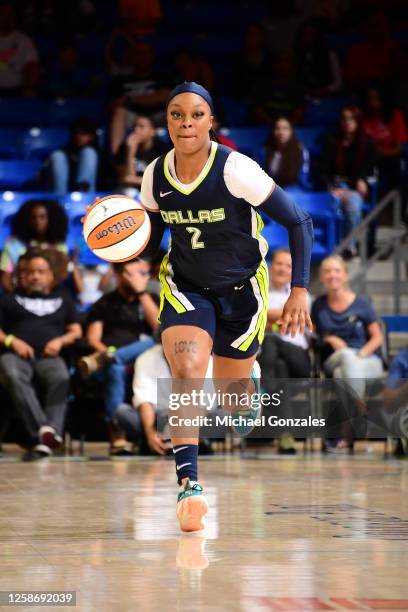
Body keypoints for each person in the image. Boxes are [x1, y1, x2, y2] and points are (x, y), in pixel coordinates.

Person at [138, 81, 313, 532]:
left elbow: (299, 220)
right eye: (176, 115)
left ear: (210, 121)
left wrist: (299, 288)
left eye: (196, 114)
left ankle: (245, 377)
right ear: (168, 122)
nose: (186, 123)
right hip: (186, 284)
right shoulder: (154, 174)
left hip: (242, 288)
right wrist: (119, 238)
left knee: (235, 404)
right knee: (187, 370)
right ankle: (188, 486)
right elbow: (152, 240)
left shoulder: (235, 169)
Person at [0, 250, 81, 460]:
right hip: (16, 355)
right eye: (30, 272)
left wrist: (60, 341)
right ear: (22, 276)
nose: (35, 276)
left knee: (61, 378)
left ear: (50, 275)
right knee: (11, 373)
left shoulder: (64, 298)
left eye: (40, 271)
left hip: (49, 356)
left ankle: (47, 431)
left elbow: (76, 331)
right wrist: (12, 341)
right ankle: (44, 434)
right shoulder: (9, 299)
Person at [79, 259, 159, 455]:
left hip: (146, 360)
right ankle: (118, 435)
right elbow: (93, 339)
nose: (135, 279)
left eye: (140, 274)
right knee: (115, 368)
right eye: (129, 274)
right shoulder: (104, 303)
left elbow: (159, 328)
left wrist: (141, 292)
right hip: (107, 360)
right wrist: (107, 352)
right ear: (117, 274)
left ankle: (116, 357)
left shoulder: (151, 299)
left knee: (156, 339)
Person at [311, 255, 384, 452]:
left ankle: (348, 431)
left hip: (366, 360)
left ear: (345, 275)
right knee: (344, 356)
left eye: (337, 271)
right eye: (327, 271)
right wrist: (331, 340)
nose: (332, 275)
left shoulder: (361, 303)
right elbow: (313, 336)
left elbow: (377, 337)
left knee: (341, 374)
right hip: (333, 359)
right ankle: (362, 410)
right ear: (322, 277)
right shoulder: (318, 305)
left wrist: (359, 356)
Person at [115, 342, 213, 455]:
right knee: (122, 412)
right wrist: (150, 433)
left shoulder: (205, 359)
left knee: (222, 416)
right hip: (157, 419)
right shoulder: (146, 358)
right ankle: (155, 442)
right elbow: (144, 400)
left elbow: (204, 403)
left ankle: (191, 442)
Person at [258, 248, 312, 454]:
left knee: (271, 339)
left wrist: (265, 316)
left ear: (293, 271)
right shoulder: (260, 292)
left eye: (288, 265)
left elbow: (286, 318)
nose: (282, 269)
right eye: (279, 264)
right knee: (278, 369)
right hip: (272, 363)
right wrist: (280, 318)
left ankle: (262, 392)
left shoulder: (301, 295)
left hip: (300, 358)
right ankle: (286, 436)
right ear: (271, 267)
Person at [320, 105, 377, 257]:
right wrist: (331, 188)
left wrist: (362, 179)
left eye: (351, 119)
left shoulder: (367, 143)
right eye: (344, 119)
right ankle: (331, 247)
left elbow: (368, 169)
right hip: (334, 187)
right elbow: (323, 170)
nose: (348, 122)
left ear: (358, 121)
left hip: (353, 188)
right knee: (331, 204)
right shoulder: (332, 141)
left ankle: (349, 247)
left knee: (353, 205)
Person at [0, 198, 68, 292]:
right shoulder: (13, 245)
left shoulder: (60, 247)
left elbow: (61, 277)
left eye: (42, 217)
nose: (37, 221)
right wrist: (18, 299)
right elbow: (5, 279)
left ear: (52, 219)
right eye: (33, 217)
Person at [361, 84, 407, 190]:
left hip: (388, 158)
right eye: (370, 99)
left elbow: (398, 149)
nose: (373, 102)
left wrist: (380, 152)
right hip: (368, 158)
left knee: (395, 165)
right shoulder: (363, 116)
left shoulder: (396, 115)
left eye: (376, 99)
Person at [115, 115, 169, 194]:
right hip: (130, 191)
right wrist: (130, 153)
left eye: (141, 127)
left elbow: (161, 182)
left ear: (152, 131)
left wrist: (134, 179)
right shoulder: (124, 147)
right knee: (129, 191)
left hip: (154, 191)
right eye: (134, 126)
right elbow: (125, 180)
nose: (136, 130)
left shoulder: (162, 149)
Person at [46, 118, 100, 196]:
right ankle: (60, 199)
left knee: (88, 153)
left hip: (92, 195)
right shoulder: (63, 151)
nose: (79, 137)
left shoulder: (100, 154)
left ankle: (83, 196)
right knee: (57, 156)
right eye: (76, 133)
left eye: (84, 134)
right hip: (61, 191)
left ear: (92, 136)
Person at [293, 18, 342, 98]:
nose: (308, 38)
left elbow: (339, 83)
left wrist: (324, 90)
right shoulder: (296, 55)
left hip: (327, 97)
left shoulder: (329, 54)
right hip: (302, 97)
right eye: (305, 34)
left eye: (311, 34)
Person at [0, 2, 39, 96]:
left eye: (10, 15)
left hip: (16, 92)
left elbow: (32, 66)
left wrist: (30, 88)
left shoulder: (24, 40)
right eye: (3, 14)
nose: (6, 18)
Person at [263, 116, 303, 187]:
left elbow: (302, 179)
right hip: (268, 188)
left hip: (294, 190)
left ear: (291, 131)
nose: (281, 132)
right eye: (277, 128)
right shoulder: (263, 151)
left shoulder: (301, 152)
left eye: (285, 128)